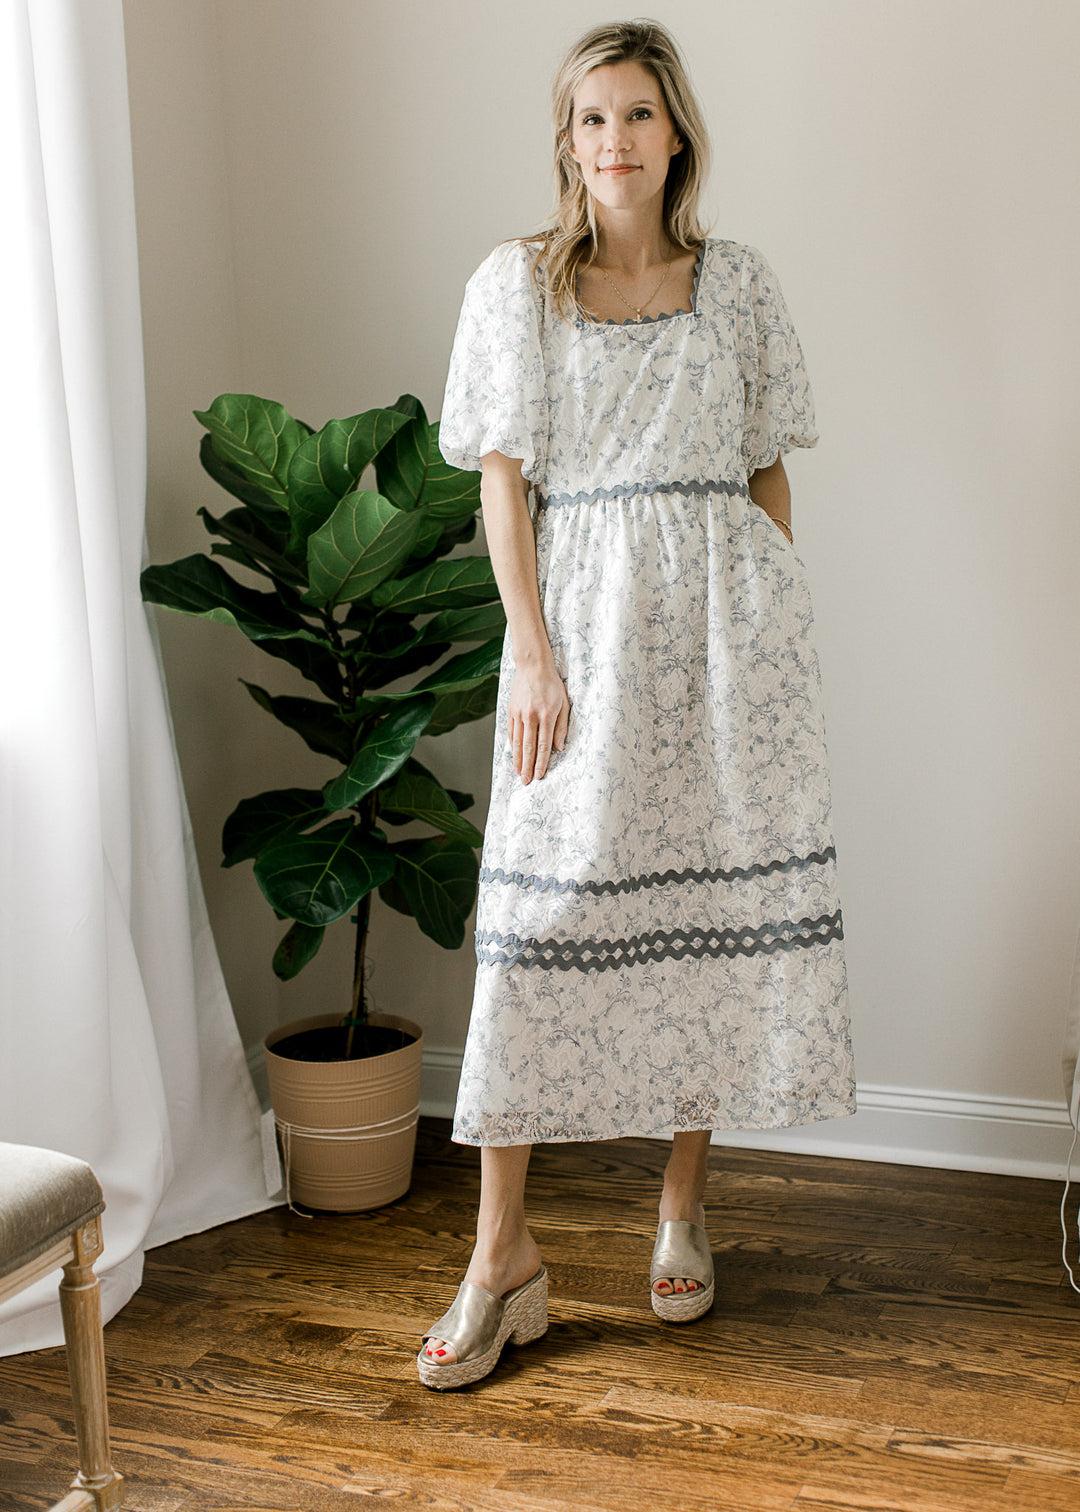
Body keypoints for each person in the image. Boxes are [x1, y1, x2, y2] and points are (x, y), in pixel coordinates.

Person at [418, 18, 856, 1390]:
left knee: (711, 912)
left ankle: (681, 1198)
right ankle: (503, 1258)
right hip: (580, 632)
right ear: (567, 140)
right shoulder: (516, 288)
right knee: (535, 933)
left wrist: (762, 599)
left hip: (729, 645)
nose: (616, 140)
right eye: (592, 117)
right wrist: (533, 654)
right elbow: (503, 480)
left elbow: (766, 465)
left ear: (678, 134)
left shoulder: (737, 285)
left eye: (639, 115)